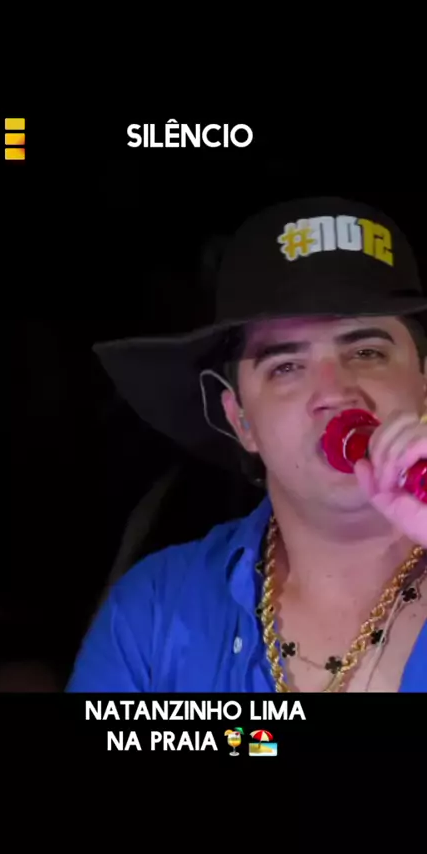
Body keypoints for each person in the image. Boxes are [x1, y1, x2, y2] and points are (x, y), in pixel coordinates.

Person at [67, 196, 427, 693]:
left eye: (367, 351)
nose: (335, 391)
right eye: (286, 366)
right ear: (241, 421)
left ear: (425, 384)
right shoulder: (153, 612)